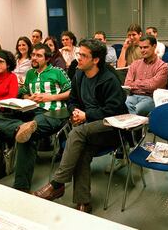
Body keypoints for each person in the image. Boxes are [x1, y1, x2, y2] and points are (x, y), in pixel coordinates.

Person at [33, 39, 128, 213]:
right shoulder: (79, 75)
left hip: (111, 128)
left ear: (96, 60)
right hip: (88, 129)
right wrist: (75, 112)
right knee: (81, 150)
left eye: (84, 55)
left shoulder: (109, 79)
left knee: (77, 133)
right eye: (79, 54)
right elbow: (72, 100)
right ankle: (83, 202)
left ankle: (57, 183)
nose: (79, 59)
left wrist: (87, 115)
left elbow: (115, 110)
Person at [0, 43, 71, 192]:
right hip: (31, 109)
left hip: (53, 111)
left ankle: (21, 186)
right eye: (33, 55)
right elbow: (24, 92)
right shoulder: (30, 74)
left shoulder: (57, 72)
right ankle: (20, 127)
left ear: (47, 58)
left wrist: (49, 97)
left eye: (38, 55)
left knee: (28, 135)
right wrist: (29, 97)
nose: (34, 58)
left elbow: (71, 92)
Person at [124, 36, 168, 116]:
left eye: (145, 47)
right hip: (133, 96)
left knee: (135, 110)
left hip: (151, 98)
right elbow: (127, 84)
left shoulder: (162, 66)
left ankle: (131, 127)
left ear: (154, 46)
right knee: (121, 106)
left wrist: (136, 82)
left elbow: (153, 86)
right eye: (140, 48)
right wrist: (147, 83)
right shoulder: (135, 64)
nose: (142, 50)